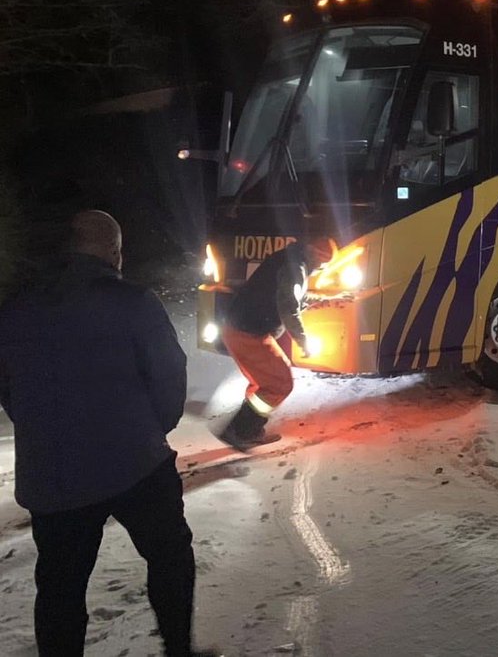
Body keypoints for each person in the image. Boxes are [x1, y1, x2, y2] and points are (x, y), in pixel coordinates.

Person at [0, 210, 214, 657]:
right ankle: (178, 649)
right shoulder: (133, 302)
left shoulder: (16, 309)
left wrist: (45, 431)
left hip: (52, 477)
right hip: (135, 464)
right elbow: (169, 376)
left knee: (60, 586)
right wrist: (152, 428)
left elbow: (8, 386)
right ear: (114, 251)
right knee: (169, 555)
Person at [218, 237, 335, 450]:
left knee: (266, 382)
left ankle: (244, 429)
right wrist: (302, 340)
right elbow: (288, 306)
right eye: (322, 261)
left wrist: (320, 300)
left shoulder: (290, 259)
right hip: (248, 333)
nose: (321, 266)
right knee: (279, 384)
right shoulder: (295, 267)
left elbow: (288, 295)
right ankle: (242, 431)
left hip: (241, 328)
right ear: (313, 251)